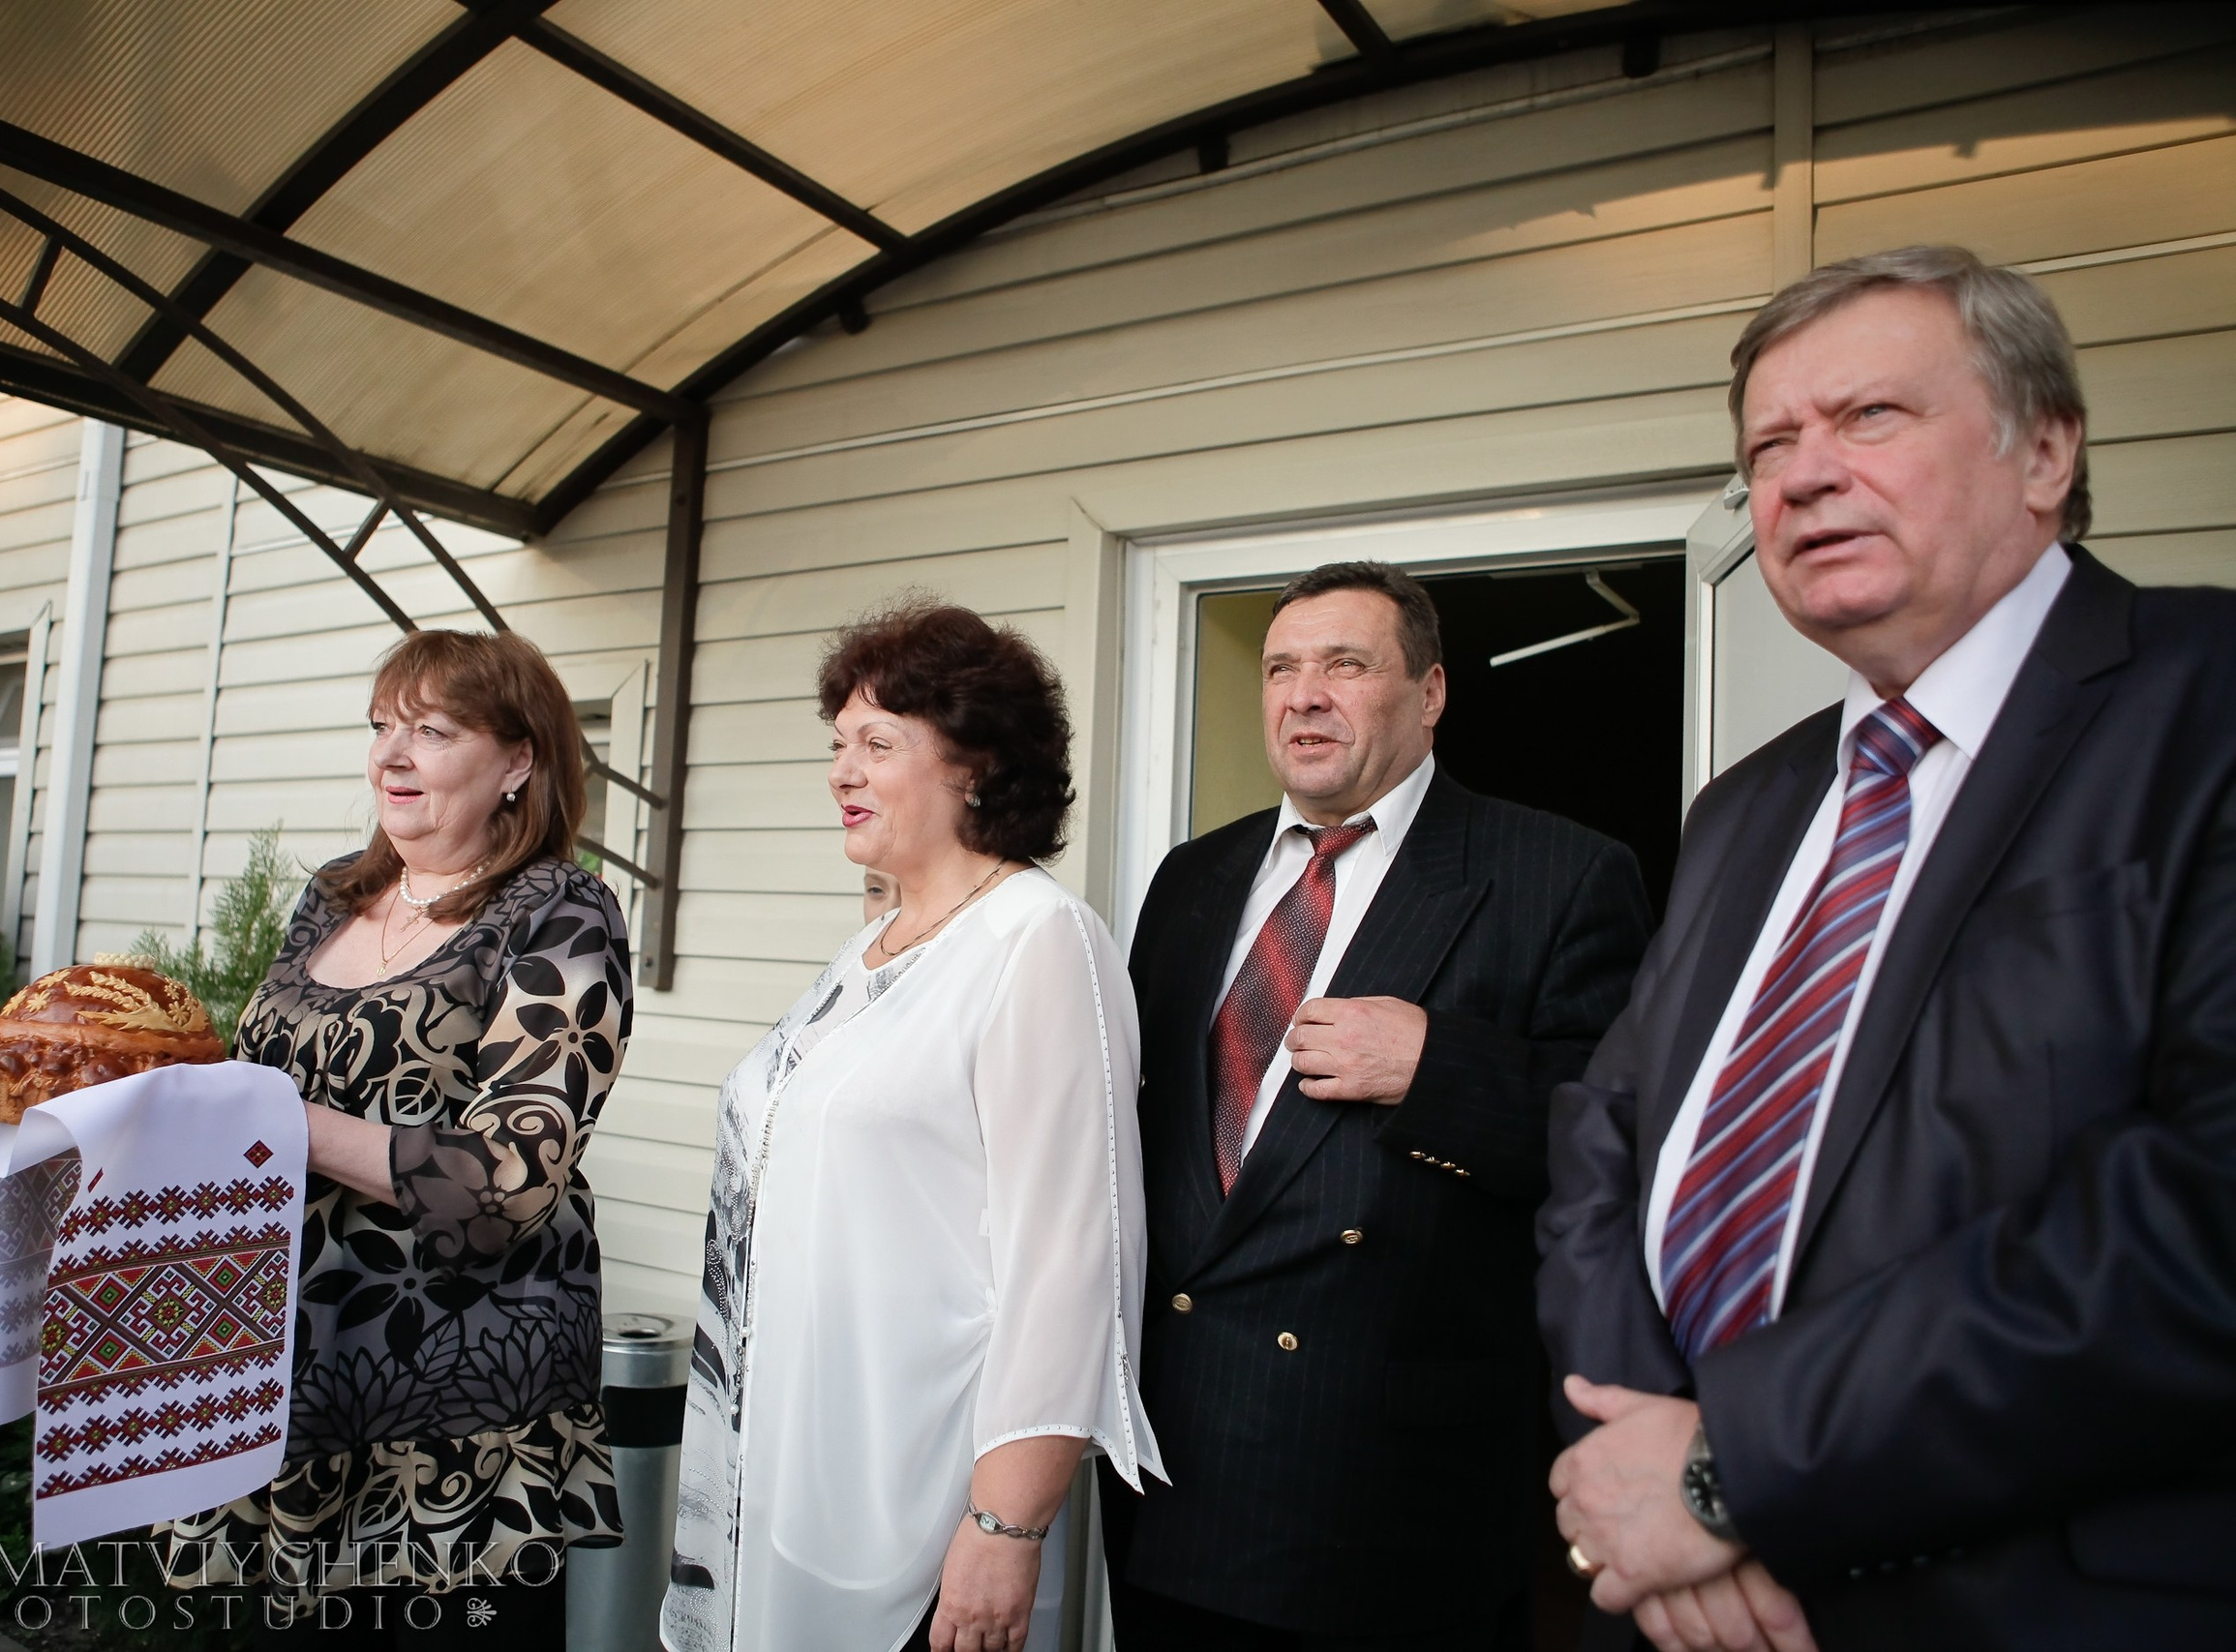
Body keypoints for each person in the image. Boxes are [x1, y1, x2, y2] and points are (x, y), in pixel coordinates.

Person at [1538, 244, 2236, 1651]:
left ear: (2044, 450)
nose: (1799, 475)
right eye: (1769, 445)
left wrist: (1740, 1461)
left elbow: (2206, 1209)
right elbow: (1604, 1145)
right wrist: (1653, 1474)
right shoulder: (1751, 803)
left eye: (1870, 418)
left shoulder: (2206, 703)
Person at [1103, 561, 1652, 1649]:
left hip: (1388, 1502)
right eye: (1280, 669)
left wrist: (1439, 1067)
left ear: (1431, 692)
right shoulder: (1191, 878)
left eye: (1344, 665)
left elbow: (1631, 1139)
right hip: (1172, 1465)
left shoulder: (1560, 873)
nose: (1302, 695)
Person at [664, 601, 1158, 1652]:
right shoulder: (874, 945)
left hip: (918, 1496)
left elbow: (1071, 1259)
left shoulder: (1039, 941)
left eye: (877, 743)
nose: (841, 770)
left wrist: (1003, 1524)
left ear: (974, 767)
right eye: (837, 744)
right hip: (791, 1469)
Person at [164, 629, 633, 1644]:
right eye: (382, 727)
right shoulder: (331, 893)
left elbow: (504, 1180)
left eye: (433, 730)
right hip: (277, 1387)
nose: (391, 755)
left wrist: (280, 1124)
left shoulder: (558, 912)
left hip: (441, 1425)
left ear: (518, 761)